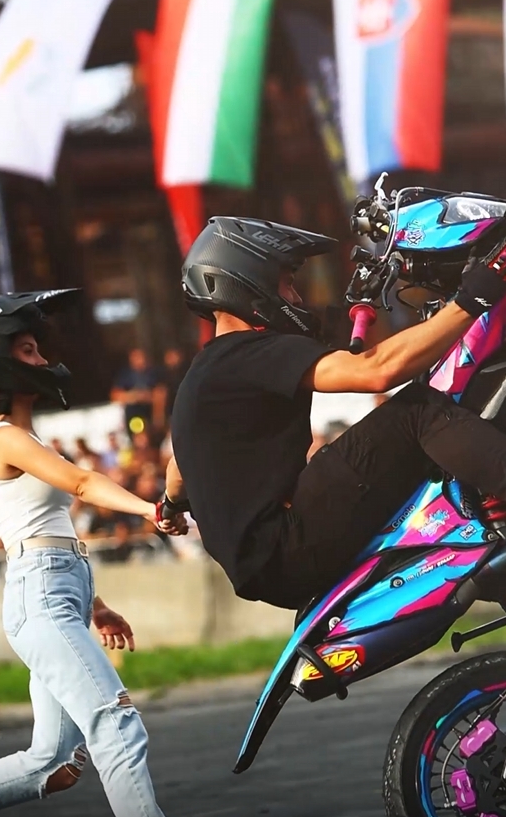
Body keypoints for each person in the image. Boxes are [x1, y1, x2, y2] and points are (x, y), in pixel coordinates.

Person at [0, 288, 247, 817]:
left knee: (51, 762)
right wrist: (150, 510)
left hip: (55, 596)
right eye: (29, 349)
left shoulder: (22, 436)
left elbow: (49, 534)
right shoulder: (2, 437)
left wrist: (95, 605)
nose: (43, 360)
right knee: (115, 724)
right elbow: (84, 483)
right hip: (39, 600)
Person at [158, 214, 506, 612]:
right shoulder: (249, 352)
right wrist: (473, 298)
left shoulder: (205, 374)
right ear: (249, 280)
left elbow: (179, 468)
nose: (296, 298)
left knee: (426, 447)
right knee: (418, 411)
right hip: (288, 543)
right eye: (288, 283)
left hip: (268, 567)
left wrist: (170, 506)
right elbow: (378, 371)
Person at [110, 348, 161, 435]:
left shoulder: (153, 374)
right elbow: (115, 396)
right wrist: (134, 396)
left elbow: (160, 393)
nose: (139, 360)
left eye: (140, 357)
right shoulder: (125, 375)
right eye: (135, 357)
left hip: (150, 414)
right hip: (132, 415)